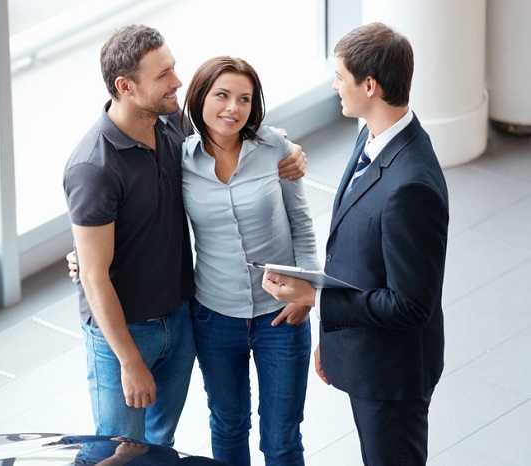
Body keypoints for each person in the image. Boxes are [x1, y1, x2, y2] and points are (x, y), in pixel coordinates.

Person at [62, 25, 305, 448]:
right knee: (118, 449)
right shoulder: (92, 167)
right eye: (163, 75)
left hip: (180, 316)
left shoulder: (173, 126)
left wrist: (287, 147)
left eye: (173, 68)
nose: (177, 81)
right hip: (124, 332)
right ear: (126, 86)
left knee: (160, 443)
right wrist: (128, 359)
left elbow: (232, 129)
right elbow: (94, 276)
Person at [262, 22, 449, 465]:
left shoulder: (412, 186)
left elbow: (410, 306)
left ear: (370, 85)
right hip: (369, 353)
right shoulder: (371, 133)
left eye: (340, 76)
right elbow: (359, 257)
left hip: (393, 375)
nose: (334, 85)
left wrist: (317, 300)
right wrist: (336, 336)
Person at [182, 56, 320, 466]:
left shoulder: (275, 146)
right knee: (227, 425)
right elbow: (141, 217)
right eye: (221, 95)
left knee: (282, 439)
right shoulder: (179, 160)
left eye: (244, 99)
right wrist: (83, 250)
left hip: (282, 316)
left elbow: (302, 224)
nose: (233, 108)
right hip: (214, 317)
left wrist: (307, 292)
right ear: (200, 98)